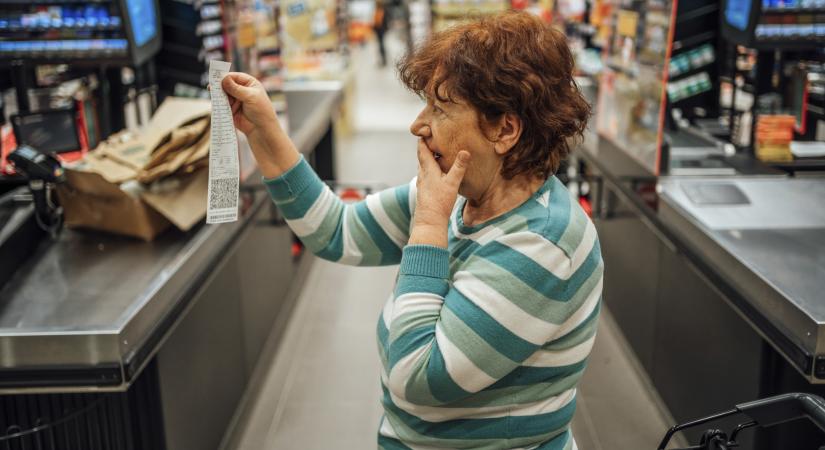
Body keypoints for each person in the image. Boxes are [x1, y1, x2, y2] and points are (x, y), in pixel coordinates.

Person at [221, 11, 601, 450]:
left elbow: (417, 377)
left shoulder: (541, 244)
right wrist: (264, 130)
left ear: (505, 129)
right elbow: (335, 230)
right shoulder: (460, 194)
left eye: (439, 109)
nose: (418, 126)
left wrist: (427, 226)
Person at [373, 0, 389, 67]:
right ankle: (382, 60)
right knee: (380, 45)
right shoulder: (378, 11)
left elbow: (382, 22)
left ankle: (384, 60)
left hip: (380, 31)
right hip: (378, 31)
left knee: (381, 45)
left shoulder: (382, 11)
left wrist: (384, 29)